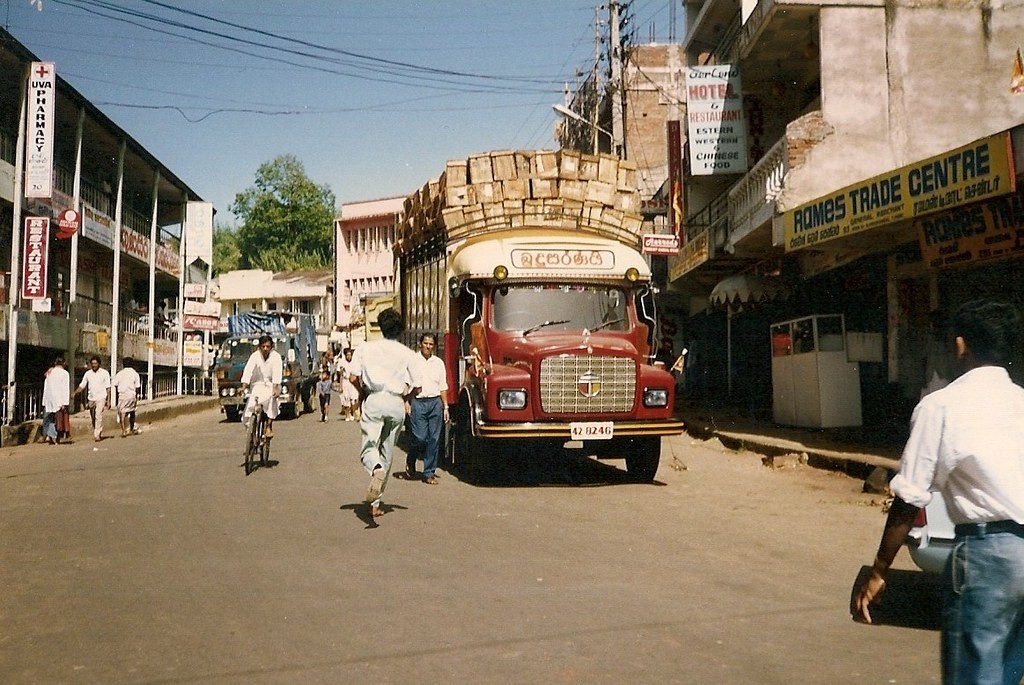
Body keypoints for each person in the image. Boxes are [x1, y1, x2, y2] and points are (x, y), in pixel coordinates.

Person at [854, 299, 1024, 685]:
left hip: (986, 557)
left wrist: (879, 570)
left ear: (961, 346)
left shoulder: (941, 406)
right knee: (1008, 671)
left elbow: (909, 497)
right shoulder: (1021, 402)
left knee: (973, 675)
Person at [347, 308, 414, 518]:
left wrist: (362, 393)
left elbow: (352, 377)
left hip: (374, 399)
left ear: (380, 327)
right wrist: (406, 399)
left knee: (369, 447)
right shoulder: (406, 353)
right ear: (400, 330)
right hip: (395, 403)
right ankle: (376, 504)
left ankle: (375, 469)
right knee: (387, 451)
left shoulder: (365, 348)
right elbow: (418, 385)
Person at [405, 333, 449, 484]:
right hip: (418, 403)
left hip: (435, 402)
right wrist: (406, 401)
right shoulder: (413, 361)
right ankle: (411, 459)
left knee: (434, 439)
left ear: (434, 346)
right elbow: (406, 383)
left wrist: (446, 407)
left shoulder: (438, 363)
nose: (428, 347)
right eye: (425, 343)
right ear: (420, 344)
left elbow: (443, 386)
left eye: (431, 344)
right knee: (420, 437)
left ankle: (429, 472)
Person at [240, 335, 283, 441]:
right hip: (257, 384)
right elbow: (248, 371)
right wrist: (244, 386)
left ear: (271, 347)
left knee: (271, 399)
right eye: (263, 346)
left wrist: (275, 388)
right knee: (251, 402)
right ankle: (252, 429)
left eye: (267, 346)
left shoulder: (276, 357)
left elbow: (277, 373)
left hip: (271, 384)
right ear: (259, 347)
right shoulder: (254, 356)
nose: (265, 349)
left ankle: (268, 426)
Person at [73, 356, 111, 442]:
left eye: (95, 363)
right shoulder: (88, 374)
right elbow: (82, 385)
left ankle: (97, 434)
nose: (94, 365)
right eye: (92, 364)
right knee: (93, 416)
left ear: (99, 364)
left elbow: (108, 387)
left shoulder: (104, 373)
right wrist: (75, 392)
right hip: (91, 398)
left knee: (98, 415)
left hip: (101, 397)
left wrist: (108, 401)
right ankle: (97, 430)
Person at [41, 357, 70, 445]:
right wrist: (65, 403)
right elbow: (65, 388)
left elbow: (46, 386)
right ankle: (53, 436)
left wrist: (44, 400)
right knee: (57, 419)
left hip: (49, 399)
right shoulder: (65, 373)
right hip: (59, 399)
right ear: (64, 363)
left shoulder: (50, 372)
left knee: (49, 418)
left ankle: (49, 436)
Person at [113, 364, 142, 437]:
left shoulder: (119, 373)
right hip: (131, 394)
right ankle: (131, 429)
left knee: (122, 413)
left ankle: (123, 430)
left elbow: (115, 385)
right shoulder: (135, 374)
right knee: (132, 411)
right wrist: (136, 395)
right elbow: (137, 386)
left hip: (122, 395)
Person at [338, 347, 361, 421]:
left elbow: (357, 375)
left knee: (353, 398)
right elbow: (341, 375)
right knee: (346, 398)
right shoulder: (343, 363)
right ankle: (347, 415)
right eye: (347, 355)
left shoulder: (354, 363)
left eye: (350, 355)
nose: (349, 357)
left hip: (353, 382)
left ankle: (352, 413)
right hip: (346, 382)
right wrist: (340, 385)